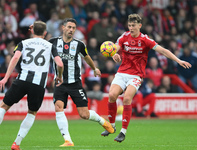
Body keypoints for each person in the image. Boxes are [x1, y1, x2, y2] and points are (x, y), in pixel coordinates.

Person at [101, 14, 192, 142]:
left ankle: (123, 131)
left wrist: (178, 60)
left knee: (127, 98)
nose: (131, 28)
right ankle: (111, 126)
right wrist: (114, 54)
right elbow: (115, 47)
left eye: (133, 25)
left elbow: (163, 51)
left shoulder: (145, 40)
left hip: (136, 75)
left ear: (140, 25)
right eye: (129, 25)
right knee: (111, 96)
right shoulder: (124, 37)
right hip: (122, 72)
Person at [48, 18, 114, 147]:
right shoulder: (53, 42)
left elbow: (87, 57)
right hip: (60, 82)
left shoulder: (79, 44)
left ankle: (103, 122)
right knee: (58, 107)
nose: (71, 30)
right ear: (63, 27)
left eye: (73, 28)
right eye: (69, 27)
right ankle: (68, 140)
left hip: (75, 83)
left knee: (84, 114)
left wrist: (94, 69)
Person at [0, 21, 64, 150]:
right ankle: (16, 143)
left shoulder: (23, 43)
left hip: (22, 80)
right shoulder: (50, 46)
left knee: (4, 106)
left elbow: (15, 58)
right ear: (45, 33)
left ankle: (16, 144)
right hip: (38, 84)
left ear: (32, 30)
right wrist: (59, 76)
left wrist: (6, 77)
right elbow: (60, 64)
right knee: (32, 112)